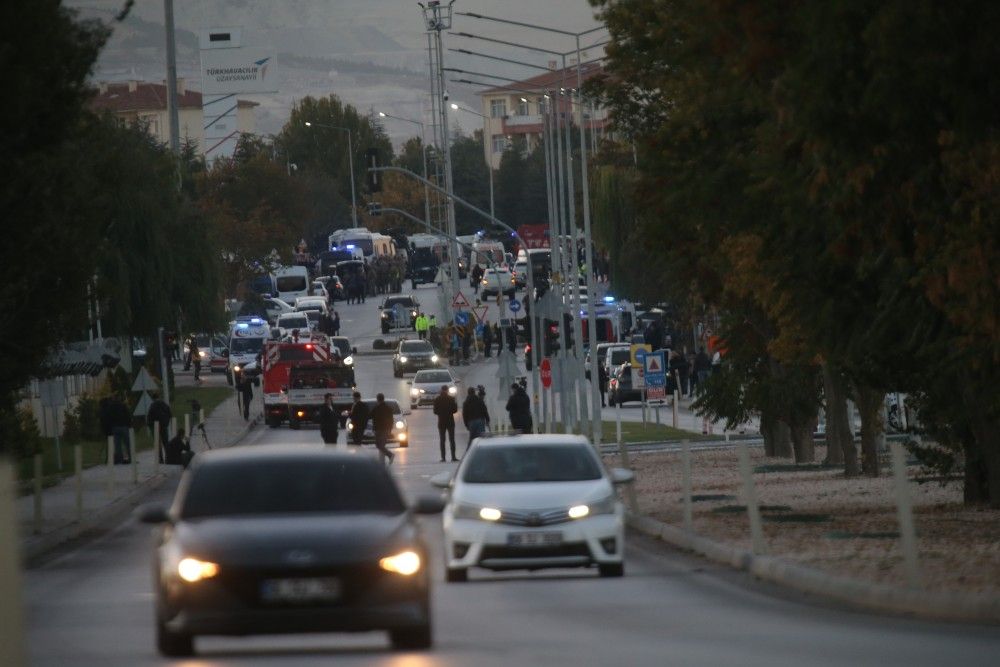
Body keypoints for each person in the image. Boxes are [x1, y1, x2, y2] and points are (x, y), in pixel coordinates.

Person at [433, 385, 459, 462]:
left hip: (441, 421)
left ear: (441, 390)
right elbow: (455, 410)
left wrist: (441, 413)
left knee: (442, 440)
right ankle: (453, 457)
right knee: (452, 440)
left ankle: (443, 457)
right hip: (450, 421)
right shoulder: (451, 399)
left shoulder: (437, 399)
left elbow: (435, 411)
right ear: (447, 390)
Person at [369, 393, 396, 465]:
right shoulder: (388, 408)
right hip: (386, 429)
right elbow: (391, 420)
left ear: (377, 399)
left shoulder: (376, 408)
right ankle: (382, 461)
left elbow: (370, 416)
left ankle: (390, 455)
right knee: (382, 445)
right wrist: (390, 429)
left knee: (379, 445)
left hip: (378, 429)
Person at [146, 392, 172, 462]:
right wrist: (166, 422)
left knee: (157, 443)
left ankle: (160, 459)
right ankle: (168, 457)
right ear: (158, 396)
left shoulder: (152, 405)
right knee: (166, 442)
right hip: (164, 425)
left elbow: (149, 416)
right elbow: (169, 413)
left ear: (153, 398)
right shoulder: (164, 404)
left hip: (155, 426)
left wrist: (149, 424)